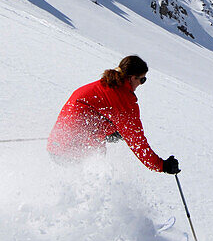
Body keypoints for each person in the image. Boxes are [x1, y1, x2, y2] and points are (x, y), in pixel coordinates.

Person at [47, 55, 180, 174]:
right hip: (73, 153)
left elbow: (88, 117)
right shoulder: (122, 98)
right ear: (132, 77)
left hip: (56, 146)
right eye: (142, 79)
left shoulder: (102, 86)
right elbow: (137, 141)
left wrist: (109, 131)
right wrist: (162, 165)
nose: (141, 84)